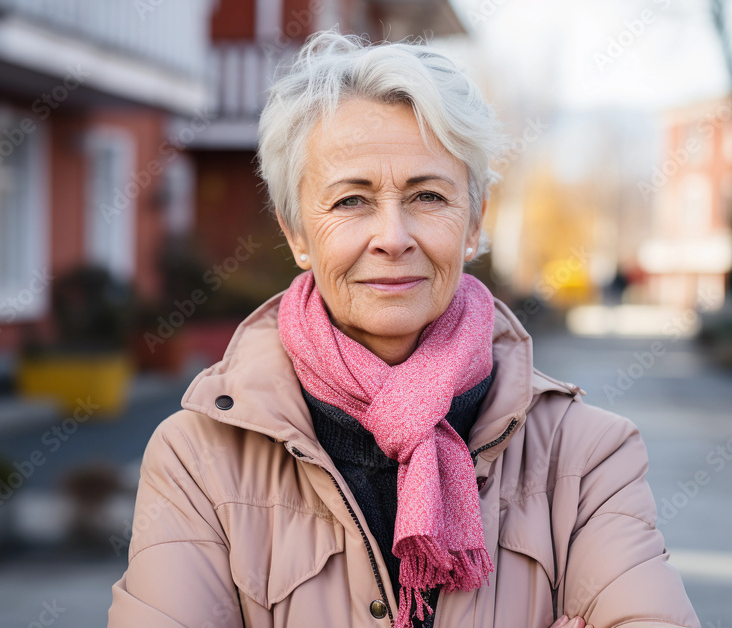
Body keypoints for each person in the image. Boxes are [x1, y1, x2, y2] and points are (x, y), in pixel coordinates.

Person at [107, 27, 700, 628]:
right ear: (296, 234)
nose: (392, 237)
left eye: (426, 196)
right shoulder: (197, 459)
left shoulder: (588, 456)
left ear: (473, 224)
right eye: (351, 201)